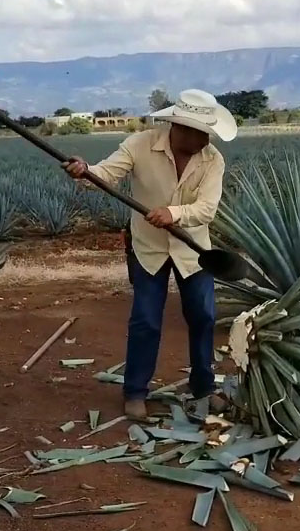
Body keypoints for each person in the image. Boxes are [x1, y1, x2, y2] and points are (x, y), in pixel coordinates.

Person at [62, 89, 236, 421]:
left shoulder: (212, 159)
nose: (206, 140)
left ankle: (203, 387)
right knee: (145, 320)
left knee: (203, 317)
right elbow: (106, 174)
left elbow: (207, 209)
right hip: (147, 248)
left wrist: (174, 213)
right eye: (201, 133)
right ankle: (135, 392)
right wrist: (84, 171)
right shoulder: (140, 145)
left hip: (192, 250)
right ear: (180, 127)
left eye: (208, 133)